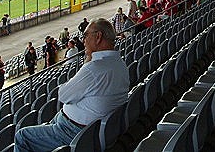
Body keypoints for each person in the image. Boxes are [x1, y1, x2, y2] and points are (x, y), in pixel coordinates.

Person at [14, 18, 129, 152]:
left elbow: (63, 95)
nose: (83, 41)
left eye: (85, 36)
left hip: (74, 132)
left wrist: (87, 61)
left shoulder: (94, 69)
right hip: (95, 130)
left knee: (22, 136)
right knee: (51, 121)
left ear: (98, 37)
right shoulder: (120, 64)